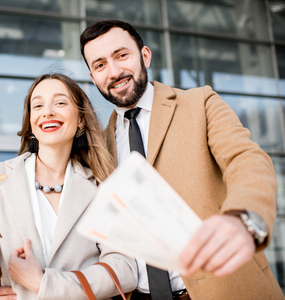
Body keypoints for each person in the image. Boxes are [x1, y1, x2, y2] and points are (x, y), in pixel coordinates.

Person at [79, 19, 283, 300]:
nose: (114, 72)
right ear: (93, 77)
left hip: (225, 289)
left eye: (121, 55)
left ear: (145, 56)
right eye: (100, 65)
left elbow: (247, 161)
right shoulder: (99, 147)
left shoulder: (200, 103)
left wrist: (242, 219)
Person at [0, 73, 138, 299]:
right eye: (38, 105)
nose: (47, 111)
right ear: (31, 122)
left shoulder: (101, 183)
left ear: (81, 119)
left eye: (60, 102)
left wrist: (44, 284)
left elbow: (124, 269)